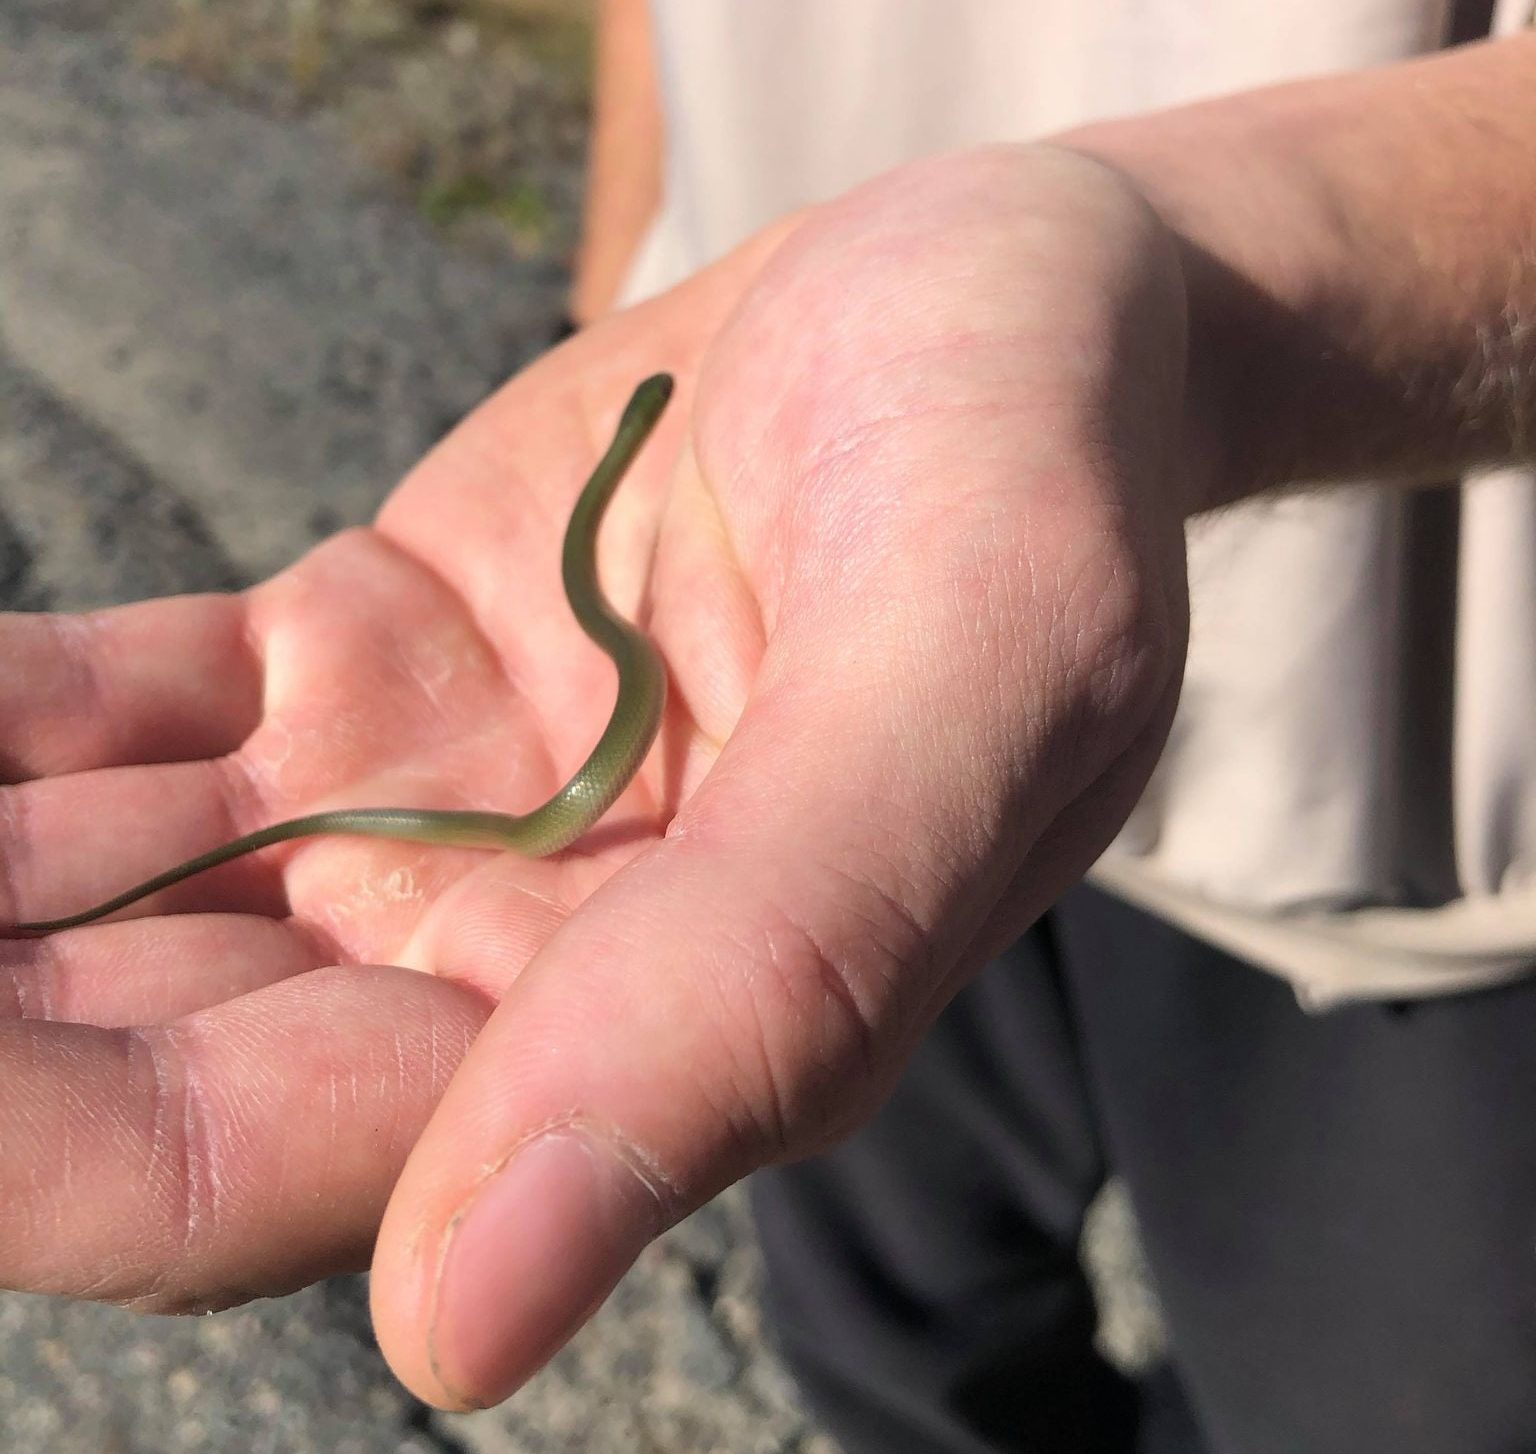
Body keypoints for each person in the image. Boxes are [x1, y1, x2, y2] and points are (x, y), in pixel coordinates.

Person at [1, 1, 1533, 1450]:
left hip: (1417, 868)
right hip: (793, 710)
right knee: (892, 1352)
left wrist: (1176, 303)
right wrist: (607, 300)